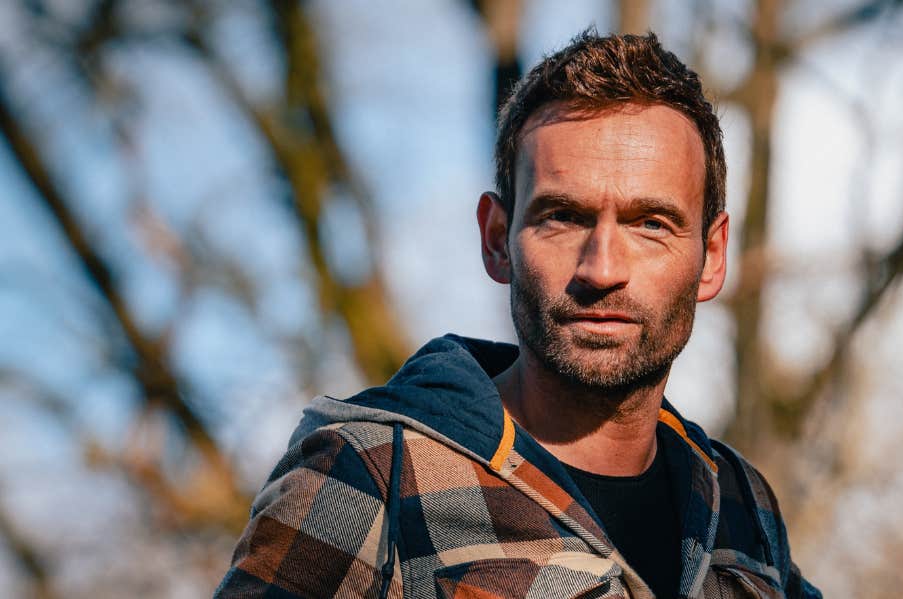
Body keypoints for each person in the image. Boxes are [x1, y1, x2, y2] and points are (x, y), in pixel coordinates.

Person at [214, 30, 824, 598]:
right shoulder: (368, 473)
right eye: (562, 216)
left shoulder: (744, 506)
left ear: (712, 256)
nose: (603, 267)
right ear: (497, 238)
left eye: (650, 224)